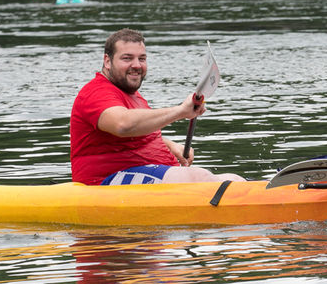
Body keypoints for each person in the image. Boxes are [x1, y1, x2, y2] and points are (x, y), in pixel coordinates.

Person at [70, 28, 245, 186]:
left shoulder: (132, 95)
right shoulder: (96, 92)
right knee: (199, 177)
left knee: (234, 179)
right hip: (105, 182)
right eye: (127, 58)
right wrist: (180, 111)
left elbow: (134, 136)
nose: (137, 65)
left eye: (142, 58)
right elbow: (123, 125)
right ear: (107, 61)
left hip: (144, 173)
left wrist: (169, 145)